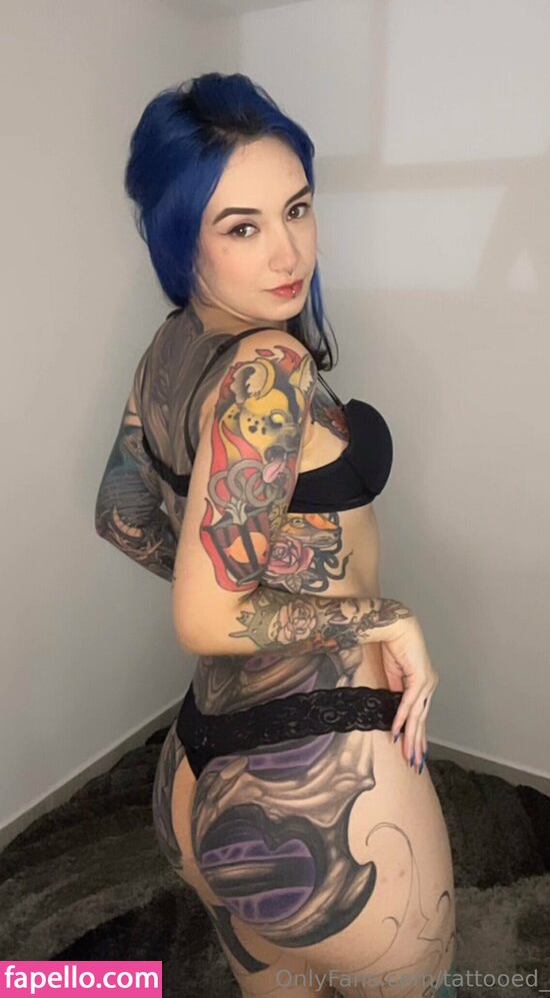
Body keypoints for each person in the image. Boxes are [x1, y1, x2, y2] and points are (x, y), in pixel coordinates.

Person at [95, 73, 457, 998]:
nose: (288, 250)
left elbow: (121, 516)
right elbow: (204, 615)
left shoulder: (172, 346)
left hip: (196, 770)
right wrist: (379, 617)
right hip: (322, 795)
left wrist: (230, 578)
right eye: (241, 226)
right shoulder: (271, 368)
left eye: (296, 208)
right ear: (181, 236)